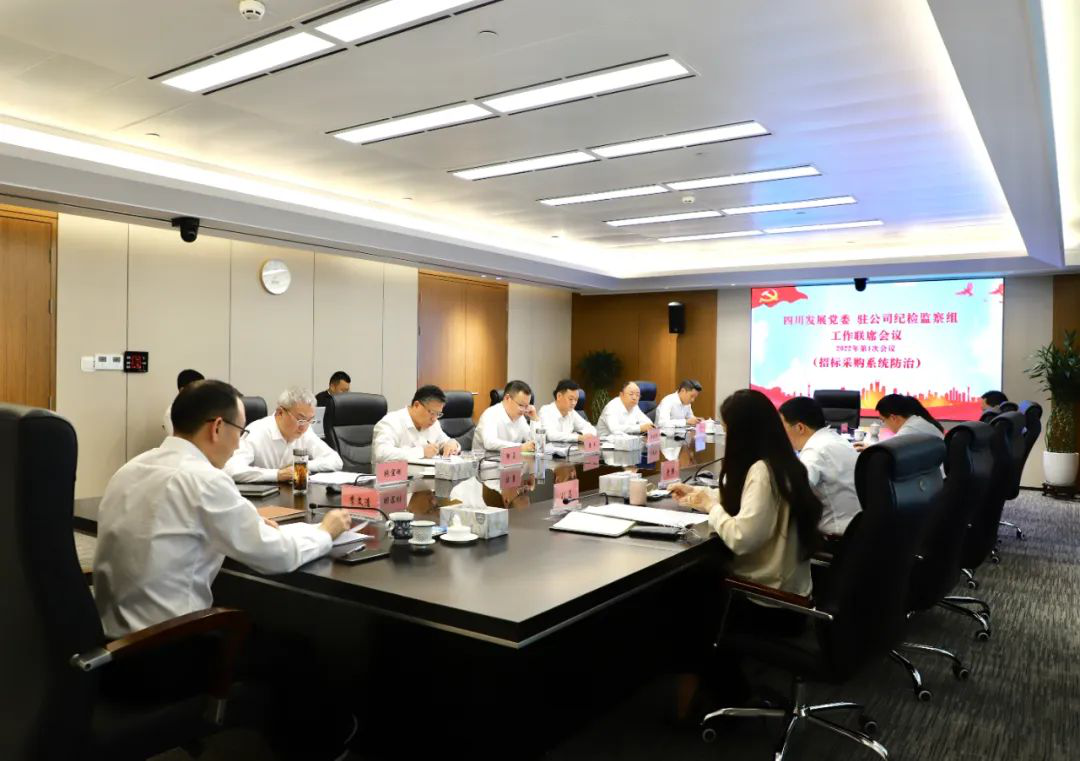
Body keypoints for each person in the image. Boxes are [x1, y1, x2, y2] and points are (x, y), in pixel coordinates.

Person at [94, 380, 351, 639]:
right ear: (217, 427)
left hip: (112, 639)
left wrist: (246, 521)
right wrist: (325, 532)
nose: (238, 445)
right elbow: (279, 555)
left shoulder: (130, 469)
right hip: (169, 643)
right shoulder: (205, 480)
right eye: (239, 431)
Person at [667, 389, 823, 713]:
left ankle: (710, 698)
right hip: (794, 596)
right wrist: (702, 494)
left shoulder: (762, 472)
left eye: (728, 430)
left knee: (686, 597)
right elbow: (753, 505)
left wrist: (711, 507)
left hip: (769, 603)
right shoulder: (784, 463)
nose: (727, 438)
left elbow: (741, 538)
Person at [779, 396, 860, 536]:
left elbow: (794, 495)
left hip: (836, 537)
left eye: (782, 427)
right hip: (857, 528)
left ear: (800, 428)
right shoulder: (835, 439)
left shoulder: (815, 452)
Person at [225, 387, 343, 482]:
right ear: (280, 412)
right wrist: (277, 475)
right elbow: (232, 470)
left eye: (310, 420)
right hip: (262, 499)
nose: (304, 426)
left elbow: (335, 460)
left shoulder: (306, 432)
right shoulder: (256, 432)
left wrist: (302, 465)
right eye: (300, 419)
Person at [372, 384, 461, 463]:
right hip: (393, 475)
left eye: (438, 414)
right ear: (416, 405)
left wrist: (452, 444)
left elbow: (445, 441)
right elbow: (381, 453)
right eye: (432, 412)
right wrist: (422, 452)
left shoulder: (434, 424)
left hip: (425, 475)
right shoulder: (391, 421)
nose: (434, 419)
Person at [472, 380, 538, 453]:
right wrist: (520, 447)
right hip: (485, 459)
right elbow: (489, 443)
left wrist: (534, 419)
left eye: (526, 406)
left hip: (510, 458)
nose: (524, 410)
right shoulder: (491, 414)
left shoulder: (520, 417)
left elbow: (534, 442)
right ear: (507, 398)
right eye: (521, 405)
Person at [876, 394, 945, 439]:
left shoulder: (909, 430)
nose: (884, 424)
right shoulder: (917, 422)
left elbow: (887, 450)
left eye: (883, 420)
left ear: (893, 418)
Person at [162, 368, 204, 436]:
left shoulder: (203, 408)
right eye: (198, 389)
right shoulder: (171, 414)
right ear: (182, 390)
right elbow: (177, 439)